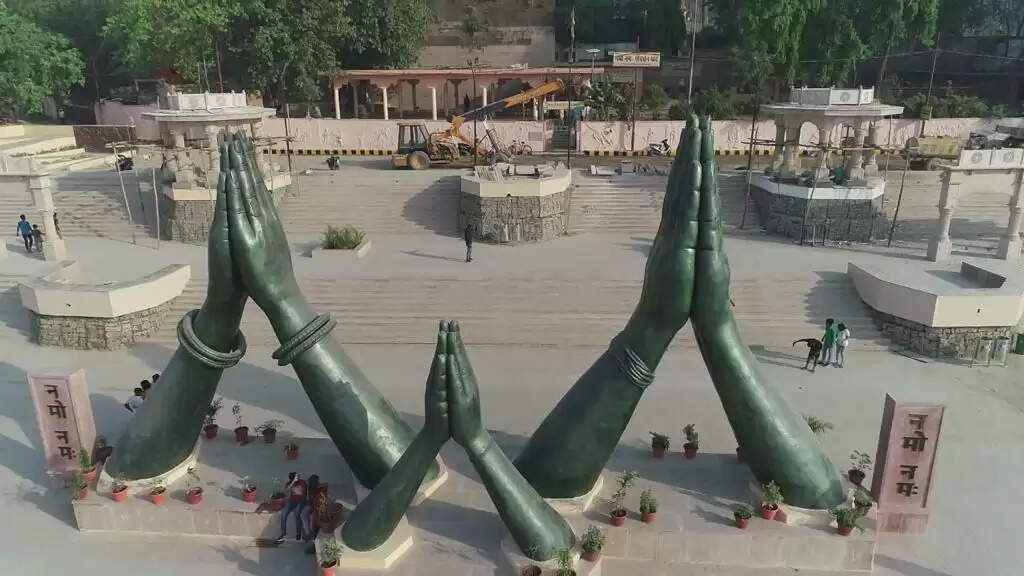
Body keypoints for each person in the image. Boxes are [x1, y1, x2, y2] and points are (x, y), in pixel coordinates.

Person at [278, 472, 307, 541]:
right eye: (296, 477)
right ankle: (283, 532)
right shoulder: (289, 483)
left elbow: (301, 492)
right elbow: (286, 491)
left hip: (301, 501)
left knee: (296, 514)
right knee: (283, 514)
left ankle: (298, 533)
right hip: (292, 501)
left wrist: (294, 483)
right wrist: (293, 482)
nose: (298, 477)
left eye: (297, 476)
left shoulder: (303, 482)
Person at [301, 474, 327, 542]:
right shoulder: (311, 488)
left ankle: (308, 533)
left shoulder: (319, 490)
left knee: (305, 515)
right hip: (311, 505)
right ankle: (307, 532)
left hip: (316, 507)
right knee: (303, 514)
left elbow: (319, 503)